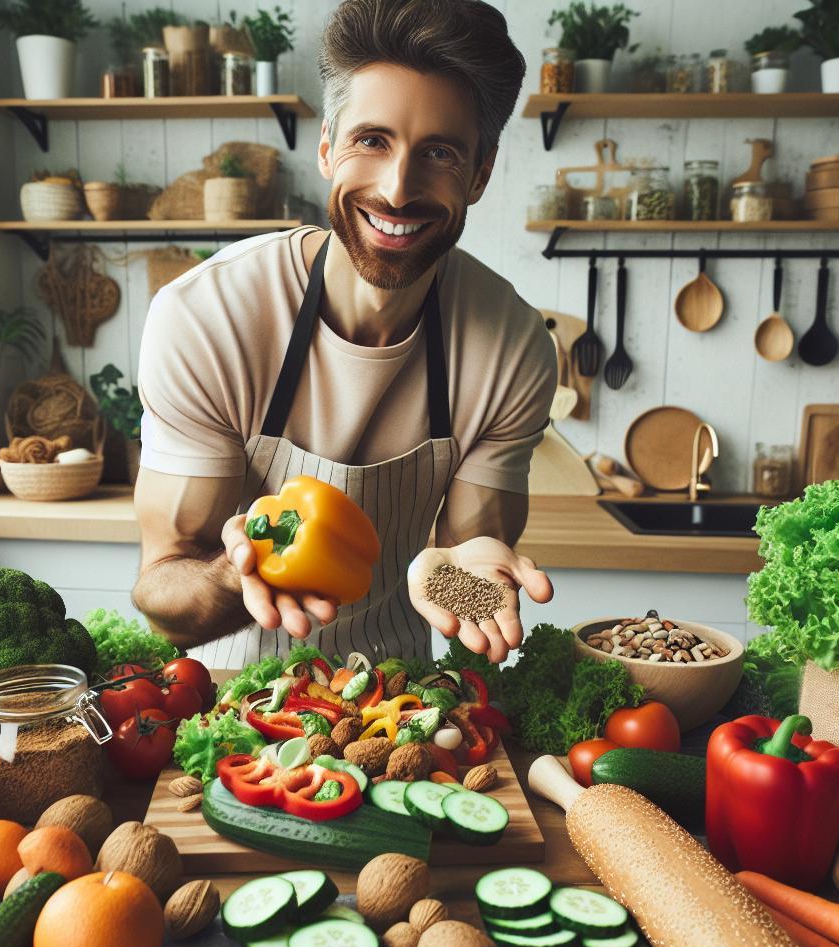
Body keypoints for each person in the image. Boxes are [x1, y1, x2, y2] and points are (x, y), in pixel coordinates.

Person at [132, 0, 557, 669]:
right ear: (328, 148)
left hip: (396, 702)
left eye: (439, 153)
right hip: (221, 706)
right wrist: (231, 576)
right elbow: (162, 590)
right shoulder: (210, 317)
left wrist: (469, 578)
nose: (396, 189)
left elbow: (469, 560)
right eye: (372, 140)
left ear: (479, 175)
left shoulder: (511, 349)